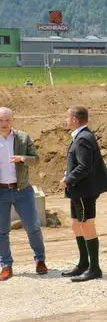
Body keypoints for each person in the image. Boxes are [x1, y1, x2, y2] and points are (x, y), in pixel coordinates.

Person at [61, 105, 107, 282]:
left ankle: (94, 268)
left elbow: (85, 166)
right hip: (78, 190)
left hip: (84, 190)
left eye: (67, 117)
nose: (66, 120)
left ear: (74, 119)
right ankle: (83, 263)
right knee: (76, 224)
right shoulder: (80, 136)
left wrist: (68, 179)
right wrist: (68, 175)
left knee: (87, 225)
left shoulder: (83, 138)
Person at [0, 107, 46, 281]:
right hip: (1, 192)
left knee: (33, 226)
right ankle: (6, 265)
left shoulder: (23, 137)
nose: (4, 123)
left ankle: (40, 260)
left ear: (13, 120)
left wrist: (22, 158)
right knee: (1, 231)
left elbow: (36, 159)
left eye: (7, 120)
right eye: (1, 120)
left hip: (22, 190)